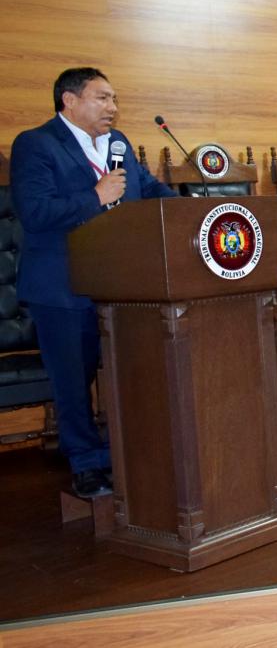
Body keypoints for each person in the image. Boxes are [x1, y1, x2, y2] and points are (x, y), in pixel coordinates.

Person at [11, 67, 176, 498]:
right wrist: (94, 197)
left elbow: (149, 189)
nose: (113, 108)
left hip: (121, 285)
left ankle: (124, 456)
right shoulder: (36, 144)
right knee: (72, 381)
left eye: (115, 99)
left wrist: (190, 207)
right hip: (62, 287)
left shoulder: (117, 144)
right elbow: (35, 212)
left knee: (129, 373)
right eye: (102, 98)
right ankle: (85, 464)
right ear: (69, 100)